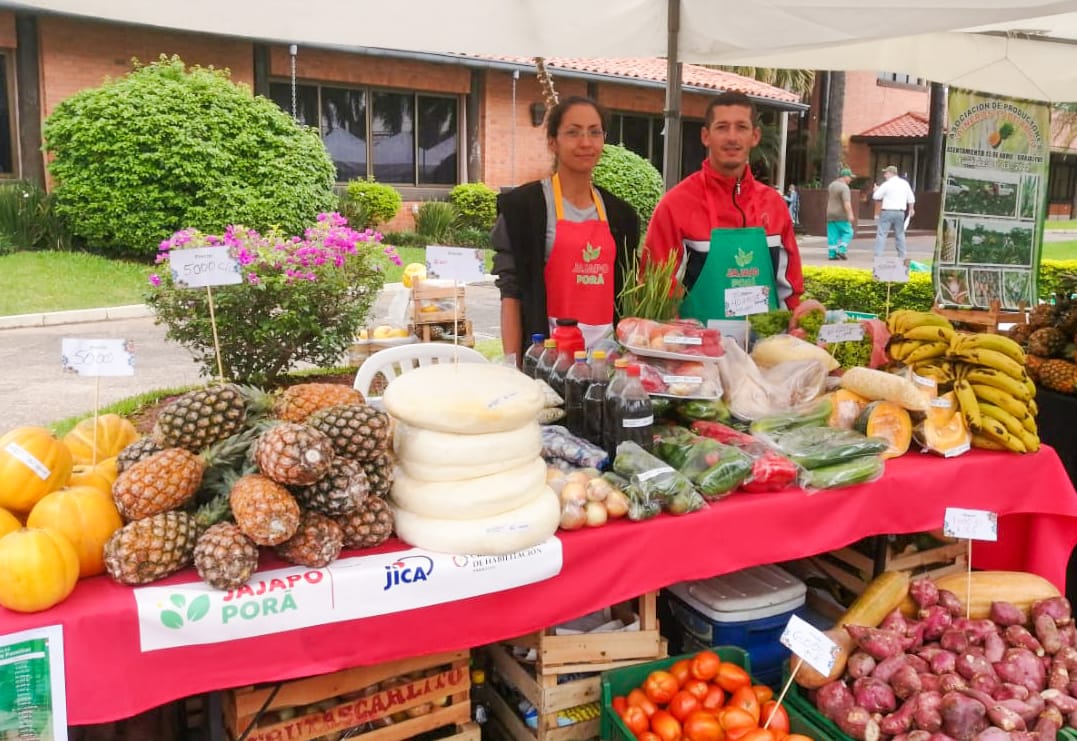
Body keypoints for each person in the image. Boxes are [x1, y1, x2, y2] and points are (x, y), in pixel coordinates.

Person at [491, 96, 640, 365]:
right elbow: (511, 293)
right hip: (547, 362)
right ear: (552, 142)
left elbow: (628, 293)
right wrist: (512, 365)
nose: (585, 142)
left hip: (606, 362)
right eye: (573, 132)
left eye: (594, 132)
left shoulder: (622, 216)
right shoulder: (524, 208)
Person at [644, 92, 803, 322]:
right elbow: (655, 295)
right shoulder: (675, 205)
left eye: (741, 127)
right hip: (696, 351)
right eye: (722, 127)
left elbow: (790, 292)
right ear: (706, 136)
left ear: (755, 136)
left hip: (762, 351)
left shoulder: (774, 205)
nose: (732, 137)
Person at [872, 165, 916, 260]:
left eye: (886, 173)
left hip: (887, 211)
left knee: (882, 234)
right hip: (900, 212)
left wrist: (876, 190)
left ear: (891, 173)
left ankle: (878, 256)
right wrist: (911, 209)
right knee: (900, 234)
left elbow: (876, 197)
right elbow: (911, 198)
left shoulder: (887, 184)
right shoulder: (904, 184)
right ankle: (902, 255)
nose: (884, 175)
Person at [826, 167, 856, 261]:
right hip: (841, 215)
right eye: (850, 177)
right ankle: (841, 249)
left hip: (830, 213)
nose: (850, 179)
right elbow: (846, 203)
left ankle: (832, 254)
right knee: (848, 232)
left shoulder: (831, 185)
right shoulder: (844, 187)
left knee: (833, 235)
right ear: (845, 176)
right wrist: (850, 214)